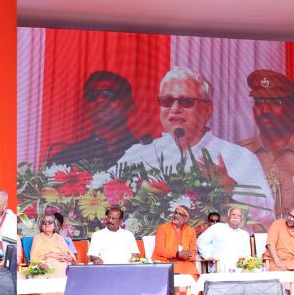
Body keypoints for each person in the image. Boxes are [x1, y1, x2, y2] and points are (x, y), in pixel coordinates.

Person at [106, 67, 273, 226]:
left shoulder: (238, 156)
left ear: (208, 109)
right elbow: (101, 196)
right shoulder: (140, 154)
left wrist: (230, 187)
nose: (175, 108)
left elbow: (267, 214)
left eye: (186, 101)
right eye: (167, 101)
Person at [49, 71, 140, 168]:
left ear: (130, 105)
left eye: (110, 94)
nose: (100, 100)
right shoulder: (64, 159)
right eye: (93, 95)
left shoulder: (148, 153)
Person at [239, 70, 294, 229]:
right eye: (258, 101)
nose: (264, 110)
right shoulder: (239, 153)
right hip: (248, 243)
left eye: (275, 102)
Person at [31, 212, 75, 295]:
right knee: (51, 267)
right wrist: (50, 255)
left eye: (50, 222)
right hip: (45, 266)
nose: (47, 224)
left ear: (55, 225)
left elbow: (71, 256)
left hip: (61, 265)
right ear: (40, 225)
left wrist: (67, 257)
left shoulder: (59, 238)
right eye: (44, 222)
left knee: (62, 269)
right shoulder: (37, 238)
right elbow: (34, 258)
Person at [198, 207, 252, 272]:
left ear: (241, 219)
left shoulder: (244, 234)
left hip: (238, 271)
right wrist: (208, 257)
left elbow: (247, 254)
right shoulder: (217, 227)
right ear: (228, 217)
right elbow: (201, 240)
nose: (236, 217)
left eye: (239, 216)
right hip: (219, 269)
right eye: (233, 214)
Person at [152, 205, 199, 275]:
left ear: (185, 218)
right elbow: (159, 250)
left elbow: (193, 253)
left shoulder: (191, 231)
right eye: (175, 212)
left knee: (193, 275)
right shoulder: (162, 228)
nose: (176, 215)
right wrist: (177, 254)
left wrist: (186, 256)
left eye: (180, 214)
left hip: (184, 263)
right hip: (166, 262)